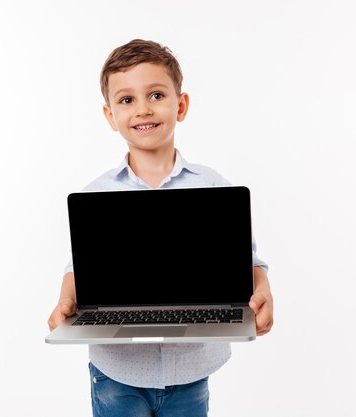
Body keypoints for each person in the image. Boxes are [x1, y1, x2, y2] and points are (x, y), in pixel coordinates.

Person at [48, 38, 274, 417]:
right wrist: (65, 301)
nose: (142, 110)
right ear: (109, 116)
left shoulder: (213, 187)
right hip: (116, 373)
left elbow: (248, 263)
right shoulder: (97, 195)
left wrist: (263, 292)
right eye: (126, 100)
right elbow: (80, 270)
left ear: (180, 105)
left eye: (155, 95)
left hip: (190, 372)